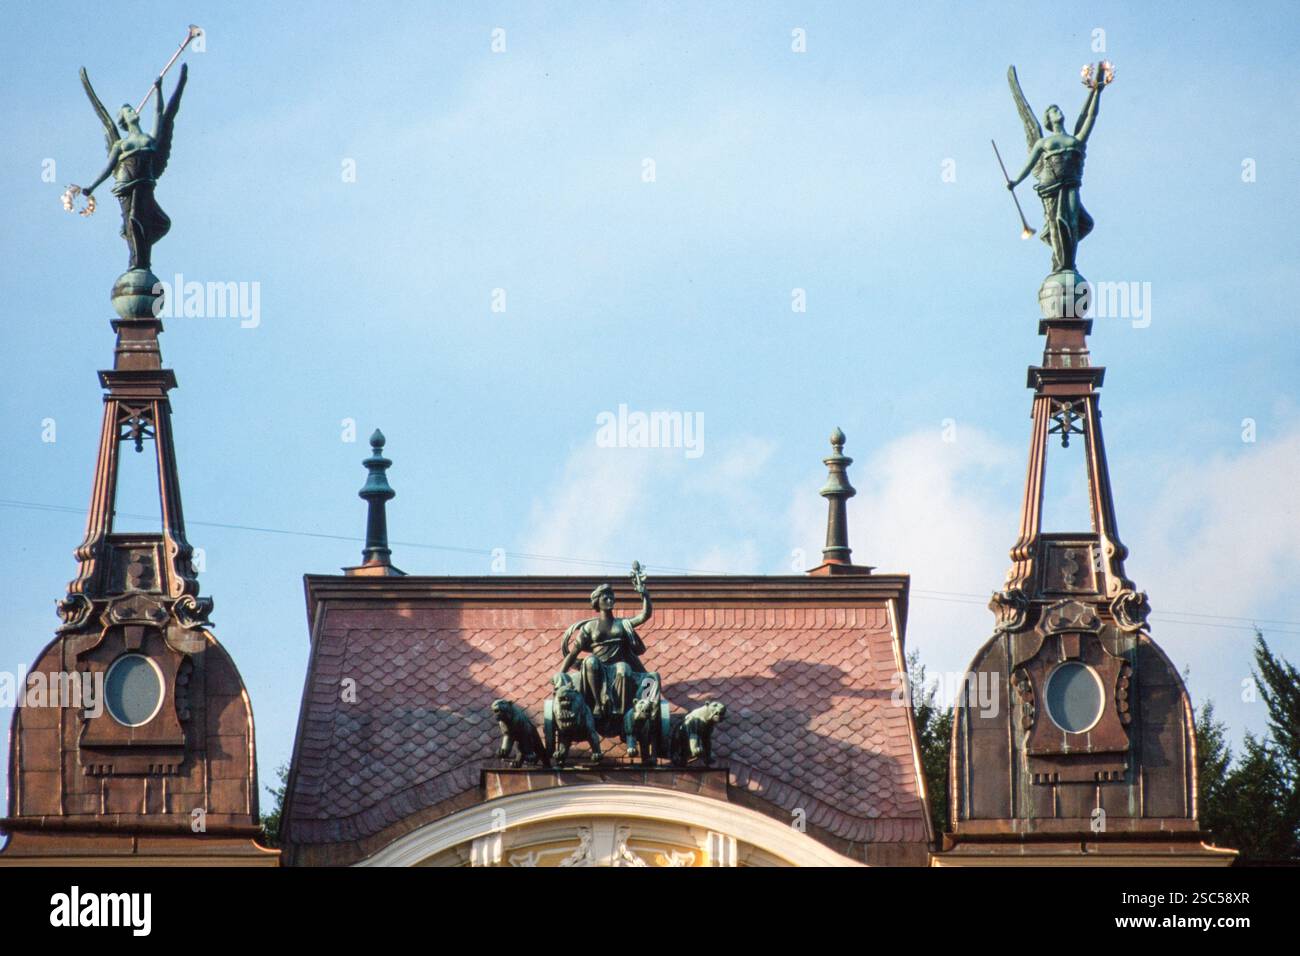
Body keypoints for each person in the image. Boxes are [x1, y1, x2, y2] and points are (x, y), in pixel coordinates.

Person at [558, 576, 653, 720]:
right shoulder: (589, 627)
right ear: (597, 601)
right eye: (605, 597)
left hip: (618, 667)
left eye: (611, 597)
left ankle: (619, 711)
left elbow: (644, 615)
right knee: (590, 661)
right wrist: (560, 674)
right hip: (596, 669)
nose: (609, 600)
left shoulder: (622, 623)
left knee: (626, 668)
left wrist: (644, 595)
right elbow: (573, 653)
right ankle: (597, 704)